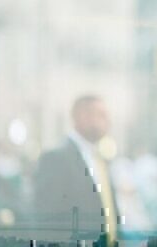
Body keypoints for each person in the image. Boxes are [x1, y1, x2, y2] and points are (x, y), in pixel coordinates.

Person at [34, 95, 119, 245]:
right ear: (82, 116)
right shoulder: (56, 159)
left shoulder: (100, 158)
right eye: (101, 115)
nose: (108, 121)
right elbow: (50, 219)